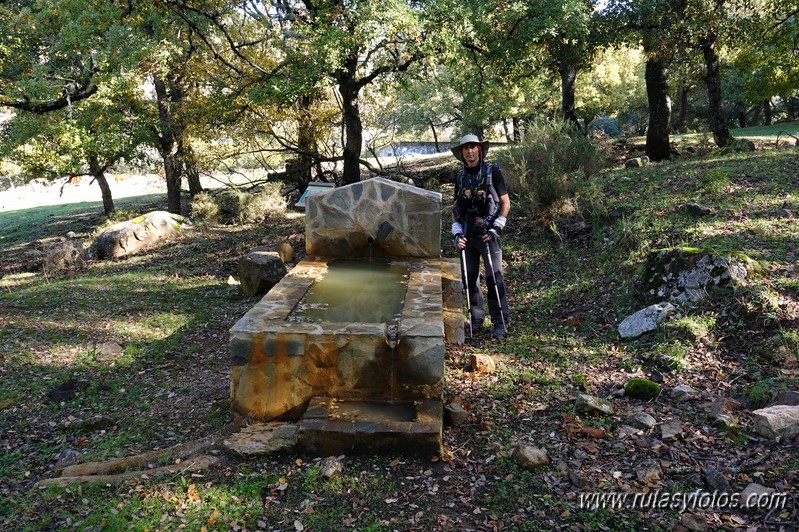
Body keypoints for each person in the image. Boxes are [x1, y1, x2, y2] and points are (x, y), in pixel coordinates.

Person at [450, 134, 511, 339]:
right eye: (465, 148)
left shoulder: (492, 171)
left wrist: (496, 229)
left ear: (479, 150)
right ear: (461, 153)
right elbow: (456, 207)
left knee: (494, 277)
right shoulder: (460, 177)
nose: (469, 151)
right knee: (470, 277)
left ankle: (500, 322)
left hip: (489, 234)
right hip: (467, 234)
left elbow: (505, 202)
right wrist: (457, 232)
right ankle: (476, 319)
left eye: (473, 147)